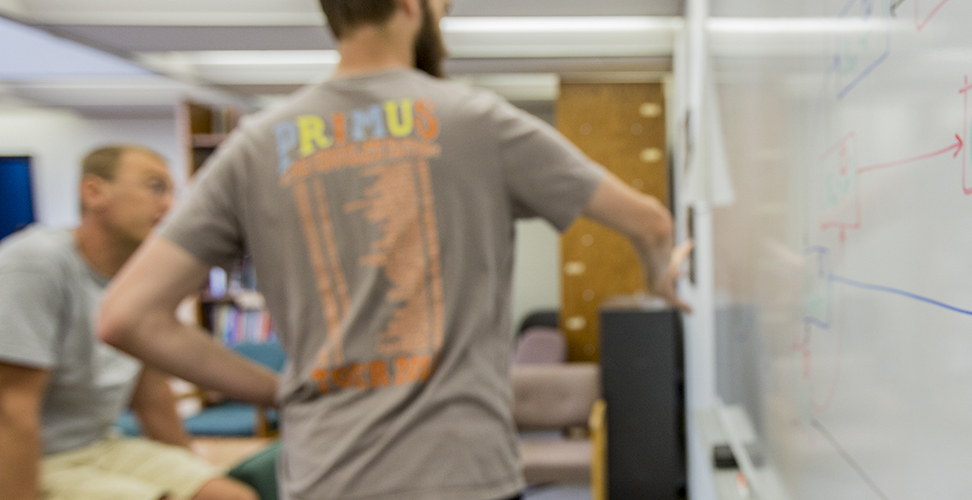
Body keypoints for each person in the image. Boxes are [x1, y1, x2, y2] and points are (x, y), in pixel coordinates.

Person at [95, 0, 691, 499]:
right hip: (463, 477)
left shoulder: (255, 146)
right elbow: (650, 222)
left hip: (327, 478)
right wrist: (659, 277)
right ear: (413, 6)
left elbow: (125, 317)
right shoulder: (473, 120)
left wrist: (277, 389)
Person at [0, 145, 257, 500]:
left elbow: (152, 397)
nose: (168, 206)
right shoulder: (36, 264)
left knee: (233, 497)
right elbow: (11, 410)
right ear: (94, 192)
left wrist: (193, 477)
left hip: (99, 446)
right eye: (155, 187)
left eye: (171, 192)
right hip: (37, 458)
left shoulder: (135, 282)